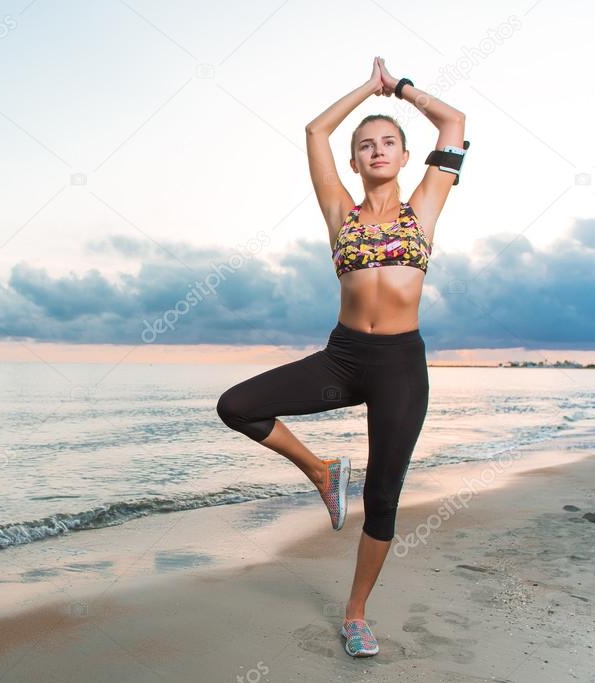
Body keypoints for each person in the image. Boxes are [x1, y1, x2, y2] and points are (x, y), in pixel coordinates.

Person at [216, 56, 466, 658]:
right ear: (353, 162)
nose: (376, 151)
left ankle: (355, 614)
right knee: (237, 405)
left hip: (400, 366)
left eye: (387, 143)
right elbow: (314, 132)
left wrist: (399, 89)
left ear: (407, 157)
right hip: (343, 357)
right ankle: (322, 471)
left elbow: (453, 122)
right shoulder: (339, 213)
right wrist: (364, 89)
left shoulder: (425, 207)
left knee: (383, 496)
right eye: (365, 146)